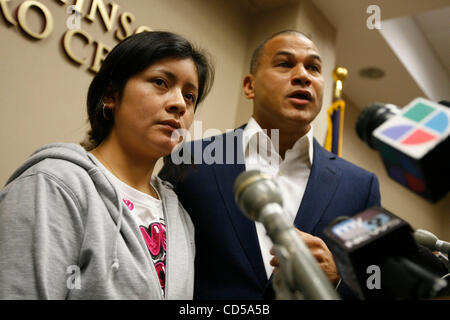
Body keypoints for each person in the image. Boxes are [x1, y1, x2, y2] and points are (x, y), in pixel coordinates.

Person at [159, 30, 381, 299]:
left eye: (314, 68)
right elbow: (160, 264)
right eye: (285, 64)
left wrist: (338, 279)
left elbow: (376, 283)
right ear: (250, 86)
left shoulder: (360, 186)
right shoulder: (190, 159)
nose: (303, 76)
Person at [0, 31, 214, 299]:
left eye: (190, 96)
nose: (180, 104)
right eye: (160, 82)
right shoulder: (53, 184)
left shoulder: (180, 217)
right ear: (111, 95)